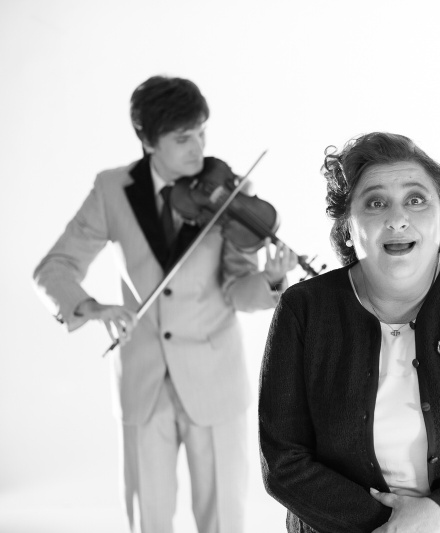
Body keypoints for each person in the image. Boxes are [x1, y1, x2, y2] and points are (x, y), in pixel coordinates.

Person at [33, 75, 298, 533]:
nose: (198, 149)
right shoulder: (111, 189)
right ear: (148, 140)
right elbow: (54, 267)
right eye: (182, 138)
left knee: (223, 520)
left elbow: (237, 289)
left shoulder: (226, 194)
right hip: (143, 379)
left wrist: (271, 279)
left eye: (201, 133)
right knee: (148, 519)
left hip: (214, 378)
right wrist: (92, 307)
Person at [258, 132, 440, 533]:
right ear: (347, 227)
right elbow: (283, 461)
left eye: (416, 200)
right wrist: (391, 528)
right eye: (376, 202)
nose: (398, 219)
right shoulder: (304, 309)